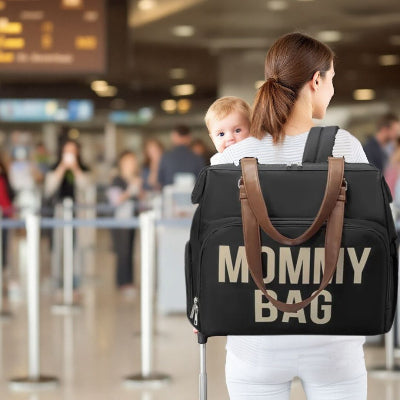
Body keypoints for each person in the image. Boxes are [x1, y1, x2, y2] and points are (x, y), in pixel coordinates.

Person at [212, 32, 368, 400]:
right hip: (334, 337)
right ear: (316, 80)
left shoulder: (229, 158)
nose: (331, 89)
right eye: (331, 79)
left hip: (254, 340)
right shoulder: (343, 146)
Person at [108, 151, 142, 293]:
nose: (131, 164)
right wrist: (131, 189)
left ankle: (129, 281)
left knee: (129, 251)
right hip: (120, 221)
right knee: (122, 252)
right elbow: (115, 200)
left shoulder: (135, 179)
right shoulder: (117, 180)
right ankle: (122, 282)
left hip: (132, 221)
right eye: (128, 161)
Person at [204, 96, 251, 164]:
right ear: (213, 139)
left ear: (251, 130)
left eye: (237, 131)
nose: (230, 138)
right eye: (221, 134)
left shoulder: (258, 154)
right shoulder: (217, 162)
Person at [44, 139, 91, 205]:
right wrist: (62, 168)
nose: (70, 154)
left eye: (72, 151)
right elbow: (49, 189)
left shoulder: (84, 169)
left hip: (78, 206)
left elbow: (86, 188)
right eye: (67, 151)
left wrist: (75, 168)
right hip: (59, 206)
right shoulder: (54, 168)